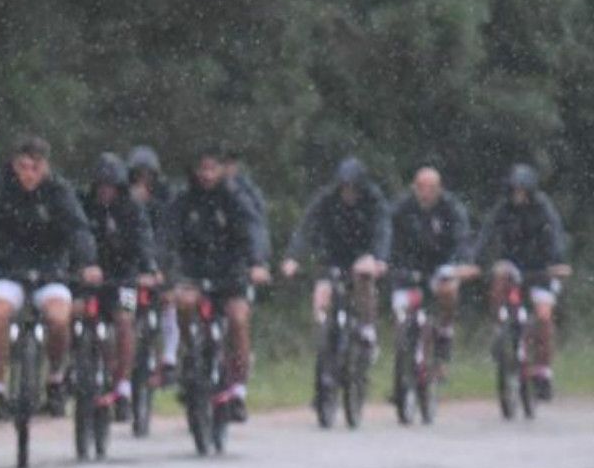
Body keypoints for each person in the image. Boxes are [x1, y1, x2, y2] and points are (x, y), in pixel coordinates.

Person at [0, 136, 96, 419]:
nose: (28, 174)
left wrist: (86, 263)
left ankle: (55, 378)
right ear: (14, 165)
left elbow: (78, 229)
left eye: (35, 167)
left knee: (59, 318)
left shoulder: (59, 192)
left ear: (45, 167)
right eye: (23, 167)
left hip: (50, 272)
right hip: (8, 271)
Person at [166, 149, 271, 420]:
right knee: (183, 303)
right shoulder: (183, 199)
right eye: (202, 168)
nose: (207, 175)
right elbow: (166, 235)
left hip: (231, 273)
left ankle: (237, 387)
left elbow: (254, 230)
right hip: (194, 273)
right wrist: (160, 267)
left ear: (222, 170)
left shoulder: (235, 198)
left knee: (238, 319)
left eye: (212, 168)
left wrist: (257, 263)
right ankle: (189, 352)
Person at [471, 164, 573, 399]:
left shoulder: (543, 208)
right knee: (499, 278)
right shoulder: (503, 208)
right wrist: (475, 260)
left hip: (542, 268)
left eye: (522, 190)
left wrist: (558, 262)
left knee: (544, 316)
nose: (518, 195)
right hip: (514, 263)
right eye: (515, 190)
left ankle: (543, 370)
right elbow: (487, 232)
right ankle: (500, 326)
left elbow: (556, 234)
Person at [283, 157, 393, 351]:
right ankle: (323, 335)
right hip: (332, 256)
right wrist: (293, 257)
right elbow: (306, 228)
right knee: (322, 294)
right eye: (345, 187)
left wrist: (379, 259)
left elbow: (383, 229)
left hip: (363, 254)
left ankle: (367, 327)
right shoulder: (326, 199)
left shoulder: (374, 201)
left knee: (363, 278)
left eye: (353, 188)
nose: (349, 193)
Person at [80, 152, 158, 420]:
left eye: (111, 186)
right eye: (101, 186)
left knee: (125, 319)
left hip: (125, 281)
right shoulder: (84, 206)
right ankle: (77, 367)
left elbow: (144, 240)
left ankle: (123, 384)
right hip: (90, 280)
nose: (105, 191)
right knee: (73, 315)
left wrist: (148, 269)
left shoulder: (132, 209)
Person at [387, 167, 475, 373]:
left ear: (440, 189)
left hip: (440, 266)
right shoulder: (401, 209)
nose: (425, 193)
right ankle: (405, 365)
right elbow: (387, 237)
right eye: (421, 187)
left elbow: (461, 239)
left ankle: (445, 330)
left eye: (431, 188)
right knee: (401, 316)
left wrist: (462, 264)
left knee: (448, 291)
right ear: (413, 188)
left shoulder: (451, 209)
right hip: (408, 268)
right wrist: (385, 262)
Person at [128, 145, 181, 379]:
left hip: (163, 258)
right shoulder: (123, 197)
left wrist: (160, 268)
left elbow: (169, 235)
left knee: (169, 300)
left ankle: (169, 355)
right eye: (138, 174)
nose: (143, 180)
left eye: (147, 174)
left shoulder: (166, 198)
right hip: (132, 261)